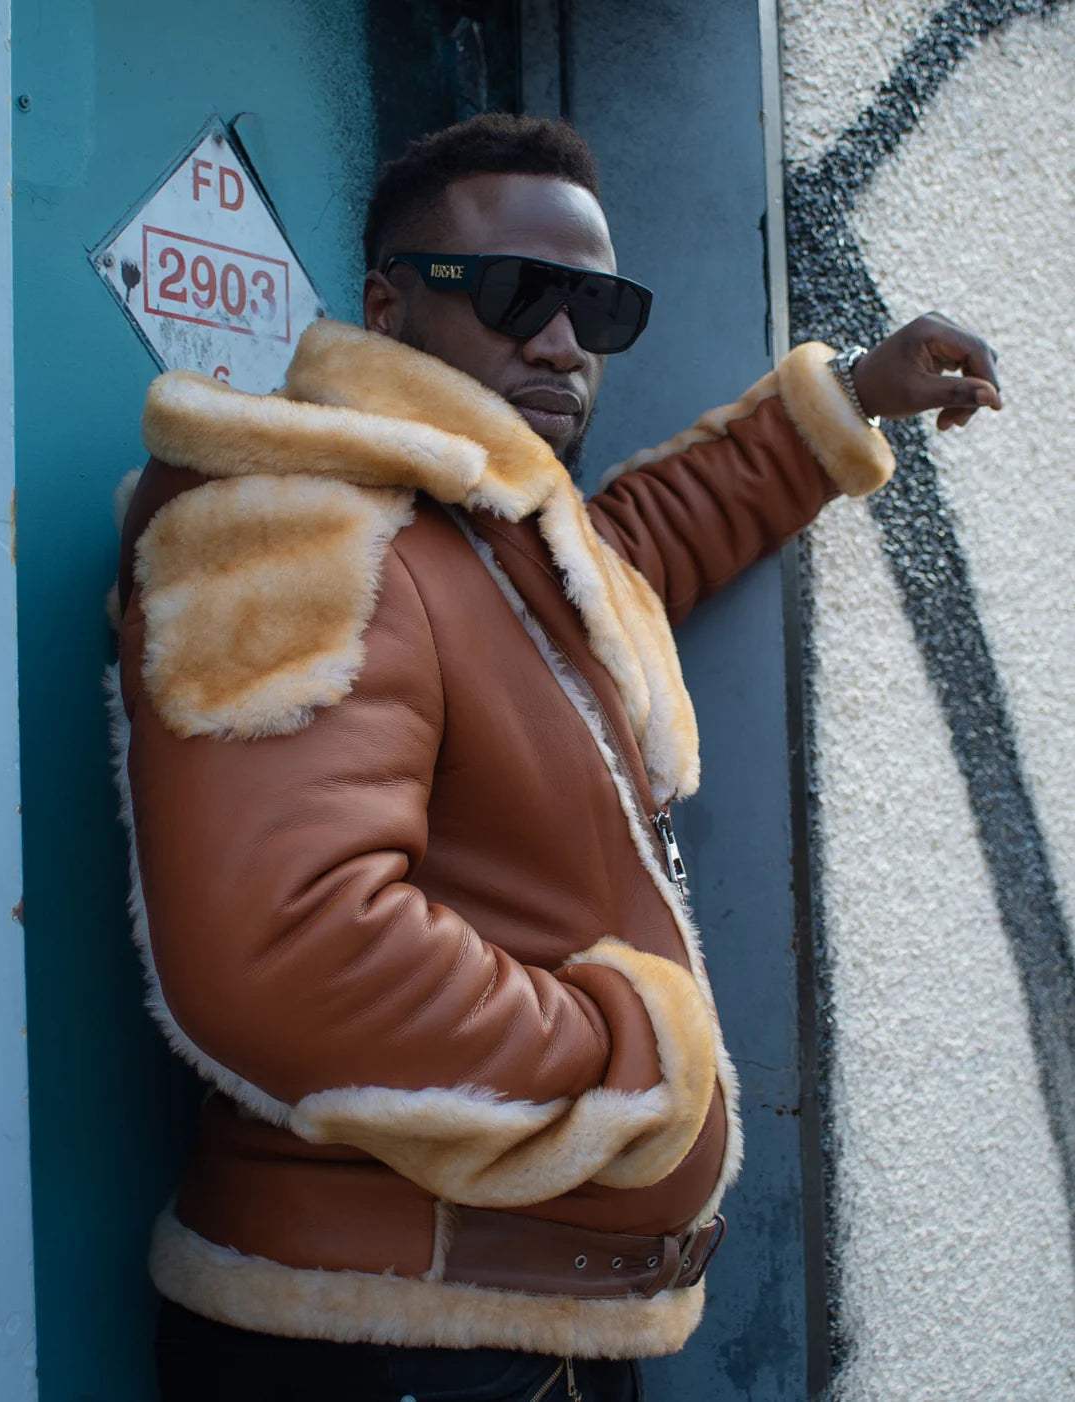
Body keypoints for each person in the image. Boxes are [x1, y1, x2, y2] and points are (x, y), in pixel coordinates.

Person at [109, 114, 1001, 1402]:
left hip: (507, 1330)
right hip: (386, 1345)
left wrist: (849, 401)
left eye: (600, 308)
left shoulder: (483, 541)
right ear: (390, 303)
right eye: (522, 292)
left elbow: (637, 544)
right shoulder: (299, 530)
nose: (562, 342)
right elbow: (281, 952)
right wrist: (631, 1063)